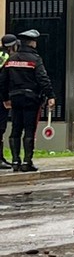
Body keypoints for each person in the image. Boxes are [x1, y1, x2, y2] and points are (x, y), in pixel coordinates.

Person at [0, 30, 55, 172]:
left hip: (15, 99)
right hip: (31, 99)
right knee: (29, 130)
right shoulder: (35, 59)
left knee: (15, 130)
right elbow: (43, 79)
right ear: (32, 43)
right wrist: (51, 96)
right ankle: (27, 162)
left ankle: (15, 161)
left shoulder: (11, 59)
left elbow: (3, 81)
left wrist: (5, 98)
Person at [0, 34, 19, 169]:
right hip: (1, 99)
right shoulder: (6, 58)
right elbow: (3, 81)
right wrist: (6, 99)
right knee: (0, 129)